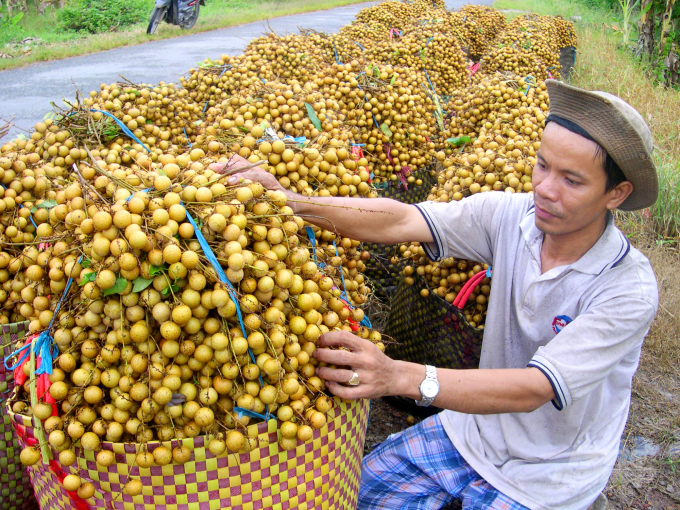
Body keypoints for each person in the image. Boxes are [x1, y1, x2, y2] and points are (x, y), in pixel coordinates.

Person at [210, 80, 659, 510]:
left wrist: (398, 377)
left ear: (616, 193)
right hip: (474, 431)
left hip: (551, 472)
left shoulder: (625, 289)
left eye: (572, 180)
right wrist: (291, 201)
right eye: (543, 165)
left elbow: (534, 387)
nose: (544, 187)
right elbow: (400, 221)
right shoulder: (510, 217)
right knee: (352, 496)